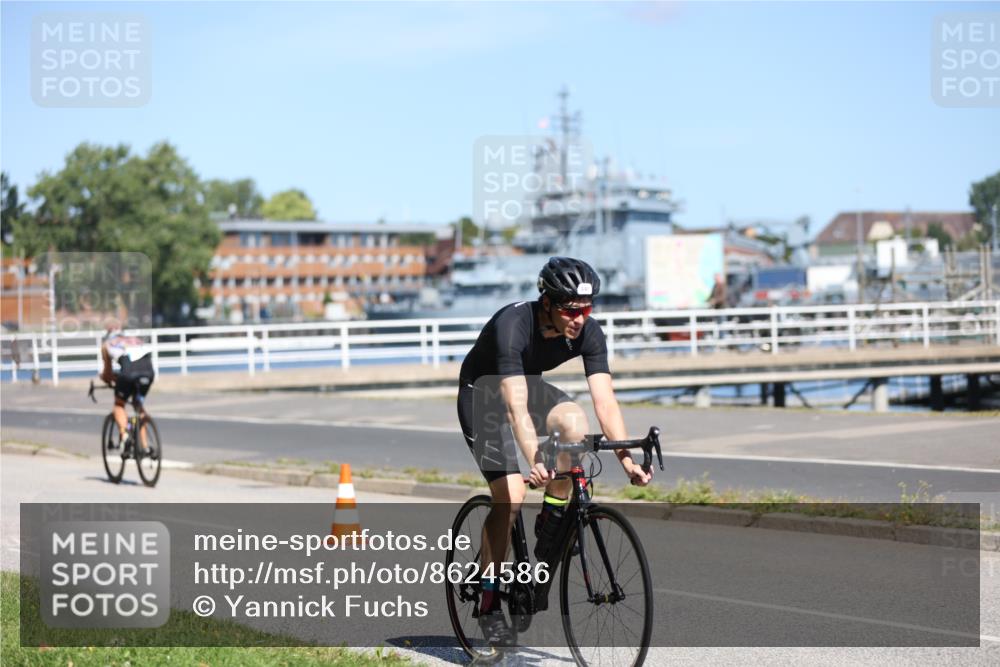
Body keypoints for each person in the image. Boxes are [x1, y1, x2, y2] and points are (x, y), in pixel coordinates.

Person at [456, 256, 653, 647]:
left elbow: (605, 402)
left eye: (586, 309)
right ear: (546, 302)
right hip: (484, 397)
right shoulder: (512, 325)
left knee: (575, 421)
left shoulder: (588, 333)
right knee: (510, 497)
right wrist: (534, 459)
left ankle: (552, 514)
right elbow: (513, 407)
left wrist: (626, 459)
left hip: (525, 389)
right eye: (569, 309)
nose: (579, 318)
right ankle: (490, 597)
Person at [100, 326, 156, 454]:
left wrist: (107, 379)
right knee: (138, 405)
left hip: (129, 372)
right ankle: (145, 446)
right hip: (148, 373)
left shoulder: (107, 345)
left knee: (119, 404)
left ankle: (124, 435)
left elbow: (107, 373)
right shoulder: (135, 340)